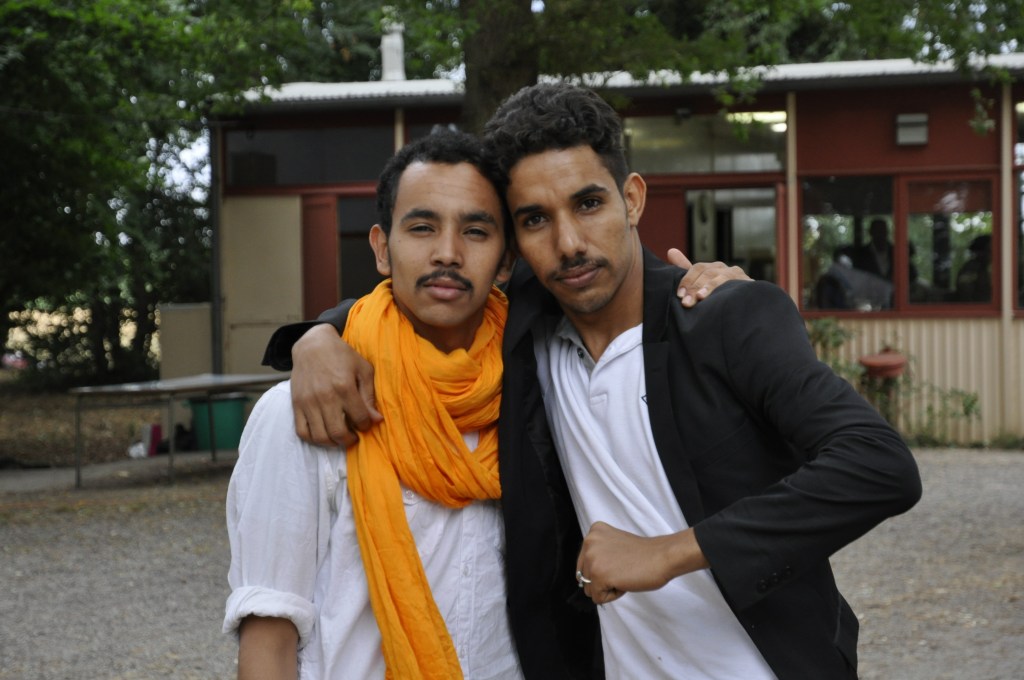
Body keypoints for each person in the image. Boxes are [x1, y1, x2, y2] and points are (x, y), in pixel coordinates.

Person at [269, 84, 921, 679]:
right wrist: (319, 336)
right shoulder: (526, 333)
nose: (569, 242)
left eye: (588, 204)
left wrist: (671, 552)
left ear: (631, 198)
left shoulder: (720, 316)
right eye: (535, 219)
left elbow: (878, 464)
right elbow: (427, 293)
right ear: (514, 246)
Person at [224, 130, 524, 679]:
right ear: (383, 249)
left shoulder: (533, 393)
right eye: (422, 227)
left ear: (506, 261)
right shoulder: (301, 411)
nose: (448, 253)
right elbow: (269, 636)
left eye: (476, 231)